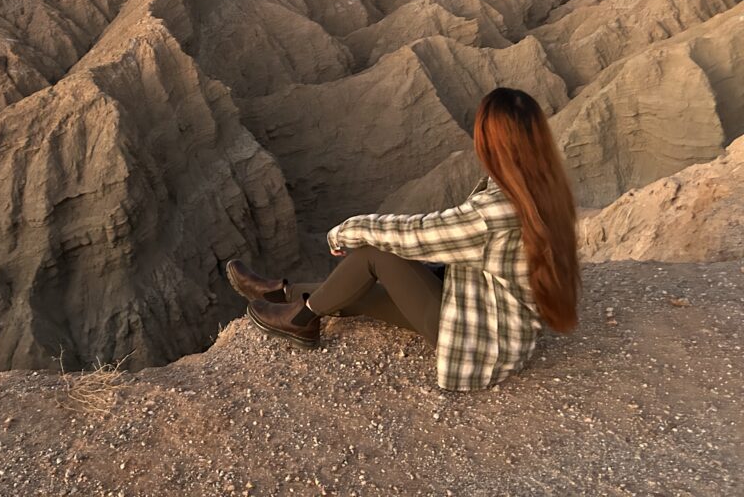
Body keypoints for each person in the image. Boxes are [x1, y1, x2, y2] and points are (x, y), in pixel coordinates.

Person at [227, 87, 580, 391]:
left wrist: (350, 228)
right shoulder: (545, 188)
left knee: (375, 256)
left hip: (481, 340)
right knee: (363, 288)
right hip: (487, 310)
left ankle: (301, 320)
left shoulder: (497, 210)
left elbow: (418, 234)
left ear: (491, 145)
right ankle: (282, 293)